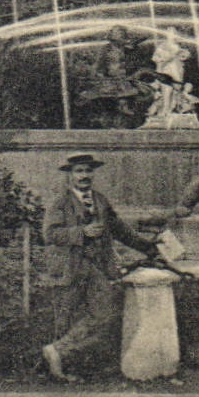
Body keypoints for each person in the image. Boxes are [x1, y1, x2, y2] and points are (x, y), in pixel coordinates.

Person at [41, 153, 160, 382]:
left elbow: (120, 230)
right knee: (66, 317)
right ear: (70, 175)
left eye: (88, 171)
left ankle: (58, 351)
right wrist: (81, 233)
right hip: (70, 268)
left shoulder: (101, 201)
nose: (84, 176)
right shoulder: (60, 203)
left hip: (97, 268)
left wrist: (149, 248)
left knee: (104, 314)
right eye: (79, 171)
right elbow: (50, 234)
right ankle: (57, 369)